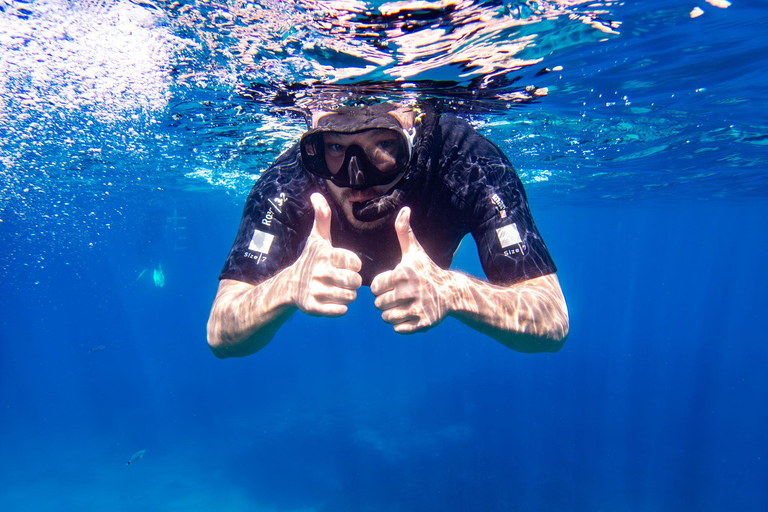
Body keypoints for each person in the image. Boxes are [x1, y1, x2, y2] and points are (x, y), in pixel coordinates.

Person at [207, 101, 569, 358]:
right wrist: (285, 287)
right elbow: (221, 330)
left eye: (382, 145)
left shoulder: (468, 162)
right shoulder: (287, 182)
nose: (356, 177)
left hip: (436, 264)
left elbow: (551, 318)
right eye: (335, 147)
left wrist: (454, 291)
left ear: (413, 136)